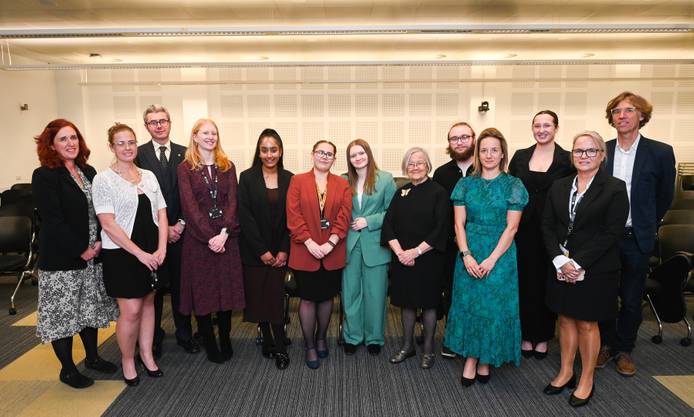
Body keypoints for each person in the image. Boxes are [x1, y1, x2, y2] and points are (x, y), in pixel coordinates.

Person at [542, 131, 629, 407]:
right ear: (572, 155)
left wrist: (577, 263)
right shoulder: (559, 186)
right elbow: (546, 225)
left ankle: (587, 378)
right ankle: (567, 371)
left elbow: (611, 232)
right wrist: (559, 260)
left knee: (586, 322)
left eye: (591, 151)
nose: (584, 156)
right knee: (565, 319)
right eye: (579, 151)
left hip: (595, 268)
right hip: (560, 265)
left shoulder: (615, 188)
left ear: (602, 156)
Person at [32, 119, 118, 389]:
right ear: (51, 145)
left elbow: (101, 210)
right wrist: (81, 249)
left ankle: (92, 358)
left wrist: (98, 242)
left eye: (74, 138)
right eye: (63, 139)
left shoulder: (88, 171)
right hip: (62, 260)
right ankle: (68, 369)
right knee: (63, 316)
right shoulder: (44, 175)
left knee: (88, 310)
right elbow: (53, 221)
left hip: (93, 255)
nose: (70, 143)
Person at [596, 92, 676, 376]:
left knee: (631, 298)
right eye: (616, 111)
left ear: (641, 115)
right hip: (605, 239)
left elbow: (666, 195)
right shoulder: (601, 151)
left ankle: (624, 349)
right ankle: (605, 344)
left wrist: (648, 223)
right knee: (604, 296)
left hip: (637, 237)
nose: (622, 115)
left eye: (629, 110)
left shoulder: (661, 152)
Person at [443, 128, 528, 386]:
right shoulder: (465, 184)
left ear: (503, 153)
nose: (489, 155)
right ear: (478, 154)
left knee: (492, 309)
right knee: (470, 306)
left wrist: (491, 260)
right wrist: (466, 255)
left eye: (494, 149)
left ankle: (485, 359)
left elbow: (512, 228)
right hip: (469, 251)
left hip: (500, 255)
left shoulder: (514, 185)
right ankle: (470, 358)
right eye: (484, 150)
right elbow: (459, 225)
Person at [92, 123, 168, 386]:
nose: (127, 148)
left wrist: (161, 249)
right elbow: (108, 224)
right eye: (121, 143)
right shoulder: (103, 179)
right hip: (123, 253)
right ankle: (127, 359)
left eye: (131, 142)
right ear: (111, 147)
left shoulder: (148, 175)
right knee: (131, 309)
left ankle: (146, 355)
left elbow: (162, 213)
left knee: (149, 303)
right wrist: (141, 255)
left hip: (151, 250)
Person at [177, 118, 245, 364]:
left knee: (225, 293)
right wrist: (210, 237)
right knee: (204, 295)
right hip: (199, 241)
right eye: (205, 133)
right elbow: (189, 207)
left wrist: (224, 233)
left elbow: (233, 202)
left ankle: (225, 338)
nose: (210, 137)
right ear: (195, 137)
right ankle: (209, 341)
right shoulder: (185, 168)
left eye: (214, 133)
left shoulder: (228, 166)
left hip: (227, 239)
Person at [509, 110, 574, 359]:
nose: (542, 129)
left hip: (552, 230)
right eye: (537, 125)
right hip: (522, 230)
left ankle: (544, 336)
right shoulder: (520, 156)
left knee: (547, 283)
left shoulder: (567, 159)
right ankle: (526, 335)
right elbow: (512, 189)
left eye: (547, 125)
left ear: (556, 128)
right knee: (524, 282)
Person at [135, 104, 199, 357]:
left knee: (183, 287)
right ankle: (155, 337)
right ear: (147, 127)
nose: (159, 125)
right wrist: (163, 228)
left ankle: (184, 334)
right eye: (153, 122)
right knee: (155, 288)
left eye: (163, 121)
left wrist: (180, 224)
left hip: (183, 233)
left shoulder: (186, 154)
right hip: (152, 234)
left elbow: (192, 196)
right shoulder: (137, 155)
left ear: (170, 123)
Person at [286, 140, 352, 369]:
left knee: (326, 298)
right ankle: (309, 345)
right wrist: (310, 242)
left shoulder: (342, 184)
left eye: (329, 154)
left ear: (334, 159)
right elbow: (293, 217)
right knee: (307, 298)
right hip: (305, 251)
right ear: (312, 155)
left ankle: (322, 337)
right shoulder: (297, 181)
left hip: (332, 252)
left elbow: (345, 216)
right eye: (320, 152)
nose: (324, 156)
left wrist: (331, 242)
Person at [382, 147, 448, 369]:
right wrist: (400, 252)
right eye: (410, 164)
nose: (415, 167)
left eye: (420, 163)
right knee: (406, 304)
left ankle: (428, 349)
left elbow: (441, 229)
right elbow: (388, 224)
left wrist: (416, 252)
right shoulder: (401, 192)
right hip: (402, 259)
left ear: (428, 165)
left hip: (428, 259)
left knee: (429, 305)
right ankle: (407, 346)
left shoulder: (439, 192)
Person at [238, 128, 293, 370]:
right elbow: (245, 217)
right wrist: (262, 251)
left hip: (281, 252)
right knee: (259, 297)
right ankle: (268, 340)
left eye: (273, 149)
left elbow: (293, 218)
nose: (269, 154)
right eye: (264, 150)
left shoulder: (291, 178)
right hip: (254, 252)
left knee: (274, 298)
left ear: (280, 151)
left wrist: (283, 250)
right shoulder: (247, 177)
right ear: (258, 152)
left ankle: (280, 346)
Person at [341, 139, 396, 356]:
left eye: (361, 153)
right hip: (350, 244)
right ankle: (352, 337)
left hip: (375, 244)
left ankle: (374, 337)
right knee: (351, 293)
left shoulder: (386, 179)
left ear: (368, 154)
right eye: (353, 155)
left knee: (375, 294)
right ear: (349, 159)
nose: (358, 158)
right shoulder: (343, 181)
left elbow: (393, 213)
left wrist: (369, 221)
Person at [432, 122, 476, 359]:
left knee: (476, 293)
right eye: (454, 139)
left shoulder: (485, 168)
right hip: (449, 245)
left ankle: (473, 339)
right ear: (449, 143)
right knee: (451, 292)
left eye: (464, 137)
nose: (459, 142)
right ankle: (452, 338)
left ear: (473, 139)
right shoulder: (441, 173)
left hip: (481, 243)